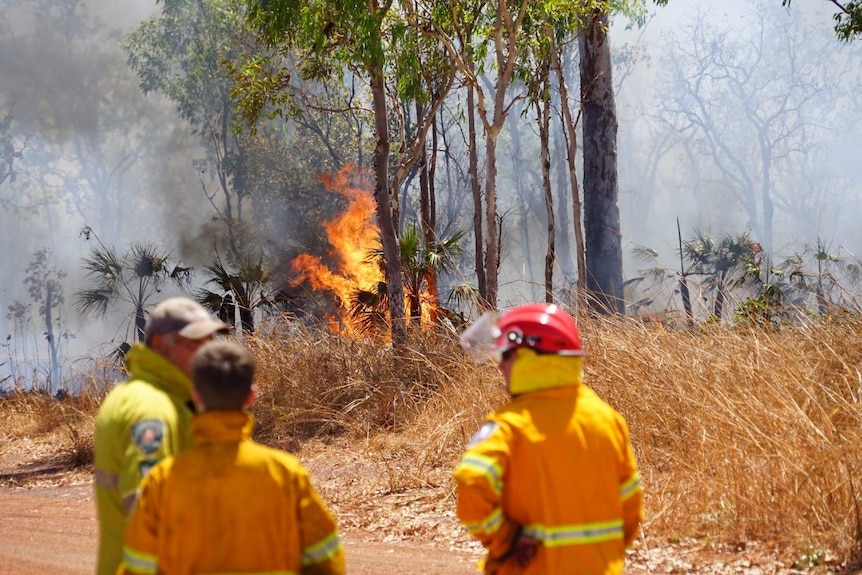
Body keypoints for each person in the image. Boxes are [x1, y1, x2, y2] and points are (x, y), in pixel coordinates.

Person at [118, 340, 346, 575]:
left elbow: (137, 568)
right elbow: (327, 561)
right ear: (250, 396)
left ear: (195, 395)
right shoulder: (286, 473)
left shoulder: (162, 481)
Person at [455, 303, 643, 574]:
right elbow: (631, 508)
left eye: (505, 357)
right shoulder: (608, 419)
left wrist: (506, 541)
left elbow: (471, 483)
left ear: (530, 359)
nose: (500, 368)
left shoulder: (510, 426)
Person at [94, 297, 230, 575]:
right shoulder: (151, 409)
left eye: (208, 342)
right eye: (193, 344)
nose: (205, 353)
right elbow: (147, 511)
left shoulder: (154, 397)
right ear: (158, 345)